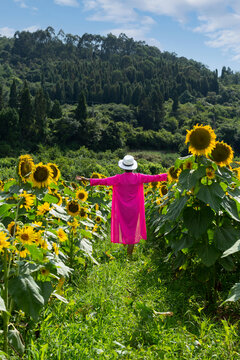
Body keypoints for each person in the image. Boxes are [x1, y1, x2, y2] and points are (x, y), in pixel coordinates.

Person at [76, 155, 167, 256]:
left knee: (124, 228)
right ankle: (129, 254)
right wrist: (169, 175)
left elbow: (103, 181)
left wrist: (86, 179)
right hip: (135, 208)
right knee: (132, 230)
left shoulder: (118, 178)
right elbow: (155, 178)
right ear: (133, 167)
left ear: (123, 167)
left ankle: (125, 251)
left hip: (122, 208)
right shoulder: (139, 177)